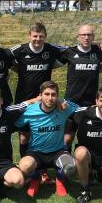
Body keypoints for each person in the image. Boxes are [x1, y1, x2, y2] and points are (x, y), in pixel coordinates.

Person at [14, 81, 81, 197]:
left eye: (53, 95)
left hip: (57, 151)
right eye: (47, 94)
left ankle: (60, 180)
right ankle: (35, 178)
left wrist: (62, 101)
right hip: (36, 152)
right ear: (40, 95)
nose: (50, 98)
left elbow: (79, 109)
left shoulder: (63, 108)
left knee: (71, 167)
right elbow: (16, 123)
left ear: (57, 96)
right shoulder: (31, 110)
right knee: (24, 166)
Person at [9, 22, 66, 157]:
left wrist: (96, 46)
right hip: (24, 98)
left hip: (45, 99)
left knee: (43, 132)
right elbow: (2, 54)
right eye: (35, 36)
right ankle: (25, 163)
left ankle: (42, 163)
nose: (38, 39)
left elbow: (70, 50)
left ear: (45, 36)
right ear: (29, 35)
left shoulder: (50, 49)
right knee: (24, 136)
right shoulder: (19, 50)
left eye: (41, 36)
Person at [58, 24, 102, 149]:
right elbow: (55, 61)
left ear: (93, 37)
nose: (86, 37)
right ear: (78, 37)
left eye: (89, 35)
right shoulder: (69, 52)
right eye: (83, 35)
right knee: (67, 137)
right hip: (72, 102)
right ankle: (66, 160)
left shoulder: (99, 52)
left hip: (90, 103)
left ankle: (85, 160)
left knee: (88, 136)